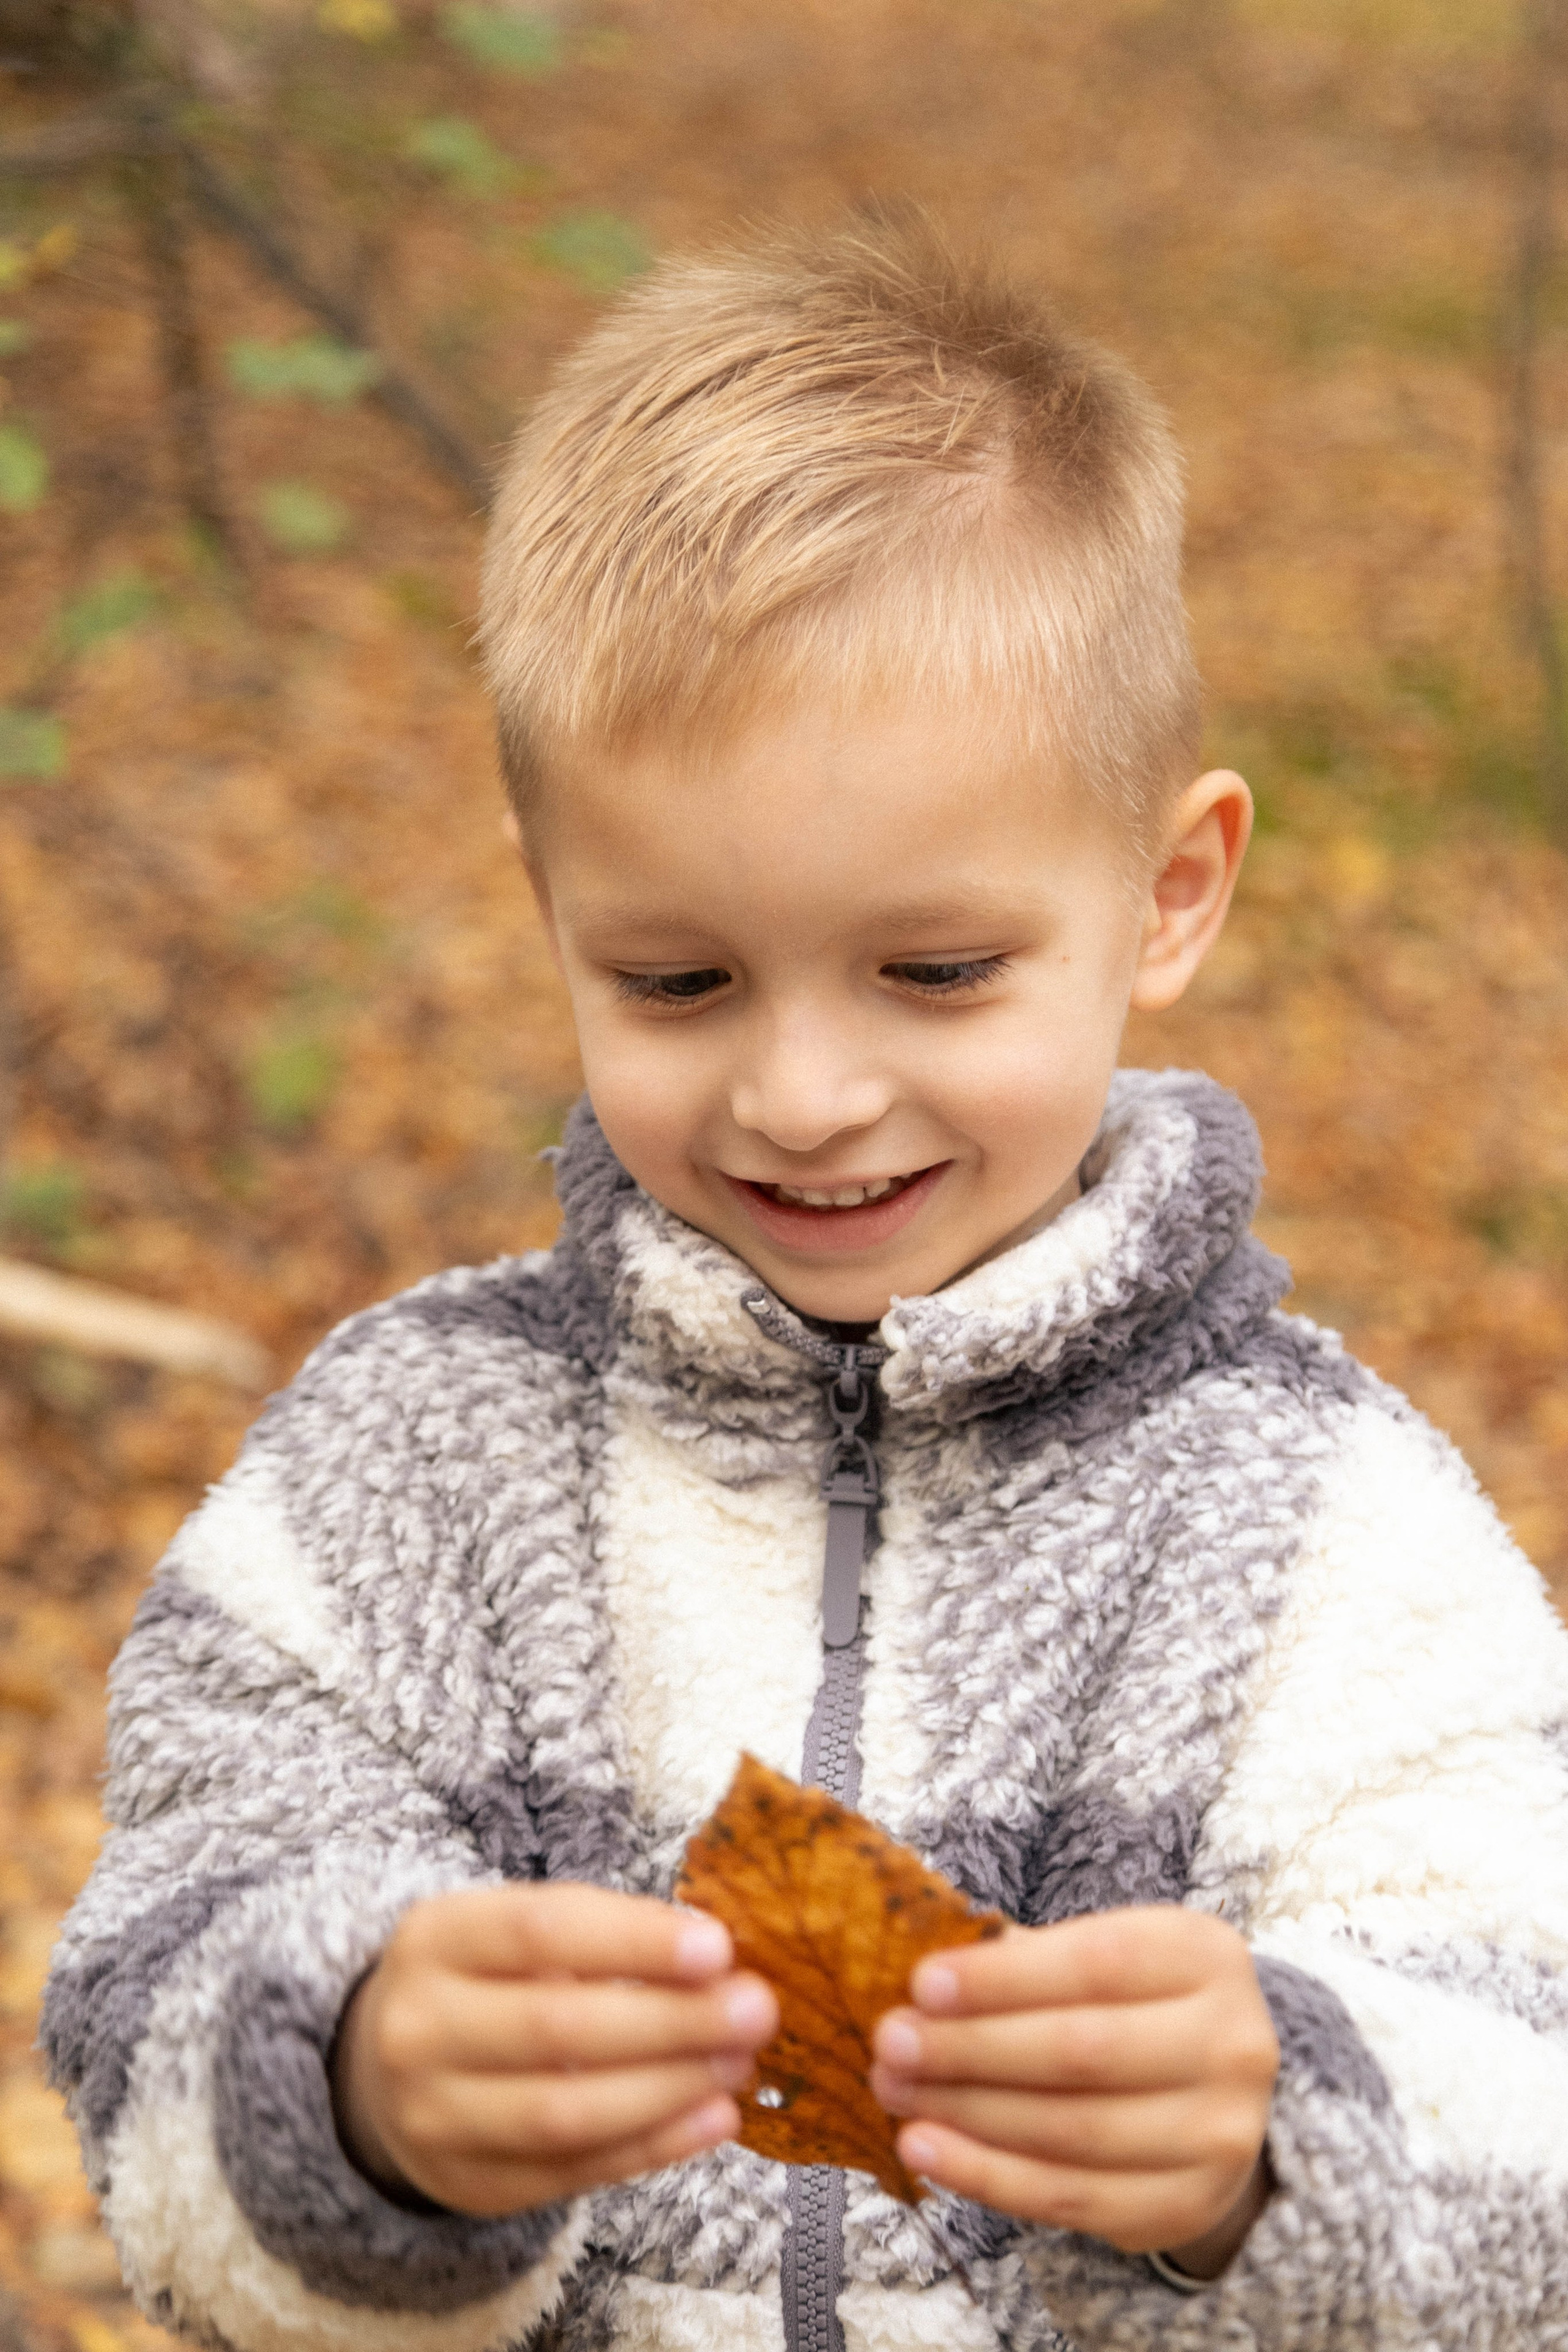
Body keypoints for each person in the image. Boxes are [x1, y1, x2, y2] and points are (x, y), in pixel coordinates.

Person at [43, 216, 1568, 2352]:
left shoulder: (1333, 1540)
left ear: (1170, 890)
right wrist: (362, 2098)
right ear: (554, 908)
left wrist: (1276, 2144)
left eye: (936, 972)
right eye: (676, 981)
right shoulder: (396, 1481)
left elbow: (1540, 2143)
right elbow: (147, 2039)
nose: (805, 1092)